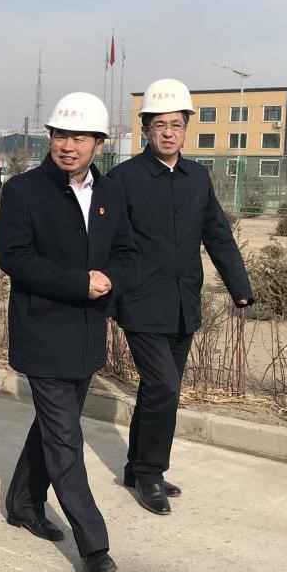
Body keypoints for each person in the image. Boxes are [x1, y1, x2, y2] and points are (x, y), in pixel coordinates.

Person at [0, 93, 137, 572]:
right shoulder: (24, 191)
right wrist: (79, 282)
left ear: (99, 143)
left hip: (87, 332)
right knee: (65, 437)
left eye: (79, 137)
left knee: (54, 427)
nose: (67, 145)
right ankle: (93, 544)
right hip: (42, 331)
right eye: (60, 135)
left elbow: (126, 250)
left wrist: (111, 279)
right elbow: (14, 257)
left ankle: (22, 501)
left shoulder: (110, 193)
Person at [106, 79, 253, 515]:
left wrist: (240, 287)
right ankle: (150, 473)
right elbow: (105, 241)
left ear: (186, 129)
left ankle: (135, 466)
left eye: (176, 125)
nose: (168, 133)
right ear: (146, 130)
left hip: (184, 305)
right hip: (140, 303)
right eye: (159, 125)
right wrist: (106, 294)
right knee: (164, 387)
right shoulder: (123, 179)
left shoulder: (197, 178)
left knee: (157, 390)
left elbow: (218, 235)